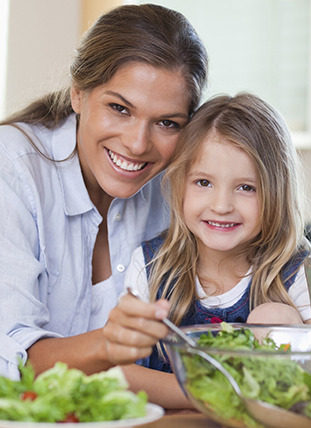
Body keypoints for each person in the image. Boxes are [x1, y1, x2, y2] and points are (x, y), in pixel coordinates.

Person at [0, 2, 208, 395]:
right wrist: (106, 345)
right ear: (78, 94)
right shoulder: (11, 169)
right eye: (119, 108)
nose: (137, 143)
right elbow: (10, 362)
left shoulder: (180, 187)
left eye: (167, 123)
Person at [123, 93, 311, 402]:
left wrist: (303, 347)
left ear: (275, 194)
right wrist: (220, 395)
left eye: (246, 188)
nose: (222, 205)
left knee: (273, 315)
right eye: (203, 183)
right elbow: (124, 373)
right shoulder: (150, 266)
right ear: (180, 183)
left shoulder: (298, 270)